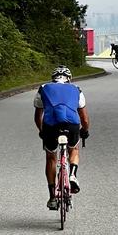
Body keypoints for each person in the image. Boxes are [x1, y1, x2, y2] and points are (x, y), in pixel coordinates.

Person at [34, 65, 90, 210]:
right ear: (69, 79)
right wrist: (85, 130)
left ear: (53, 78)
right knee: (74, 149)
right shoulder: (76, 89)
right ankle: (72, 174)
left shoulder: (44, 88)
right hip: (71, 125)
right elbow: (84, 117)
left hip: (50, 125)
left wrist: (41, 130)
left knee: (51, 157)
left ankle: (52, 197)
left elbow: (38, 116)